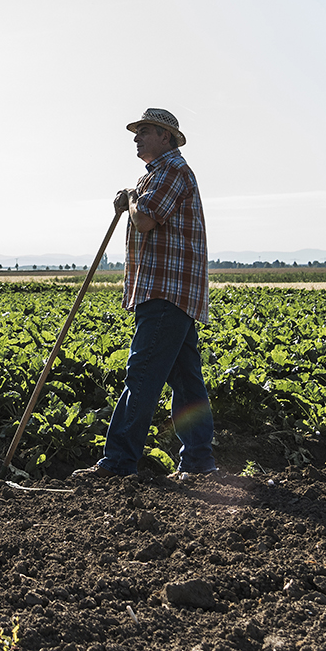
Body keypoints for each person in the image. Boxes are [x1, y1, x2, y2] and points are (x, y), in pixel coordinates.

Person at [74, 107, 216, 479]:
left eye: (145, 131)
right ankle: (200, 462)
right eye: (137, 132)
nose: (137, 138)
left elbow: (145, 219)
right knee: (186, 381)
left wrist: (132, 199)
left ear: (165, 137)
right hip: (174, 292)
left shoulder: (171, 171)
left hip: (166, 292)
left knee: (141, 376)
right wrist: (134, 193)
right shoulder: (158, 174)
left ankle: (119, 462)